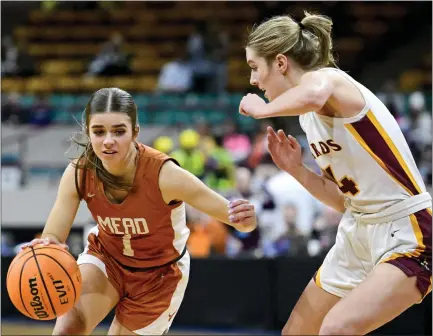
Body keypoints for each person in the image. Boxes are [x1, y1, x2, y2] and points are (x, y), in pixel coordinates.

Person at [238, 11, 432, 335]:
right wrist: (297, 171)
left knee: (337, 329)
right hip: (358, 230)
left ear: (281, 63)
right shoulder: (308, 119)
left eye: (255, 67)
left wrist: (262, 109)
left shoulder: (329, 80)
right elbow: (344, 201)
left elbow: (313, 93)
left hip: (407, 229)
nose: (253, 81)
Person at [22, 88, 257, 336]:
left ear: (135, 132)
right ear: (88, 133)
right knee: (67, 330)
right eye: (99, 131)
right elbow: (54, 237)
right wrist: (46, 245)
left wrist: (247, 220)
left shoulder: (164, 174)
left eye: (119, 131)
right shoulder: (79, 173)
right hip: (106, 258)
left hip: (159, 275)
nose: (108, 140)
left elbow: (235, 218)